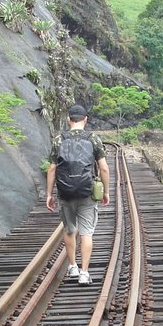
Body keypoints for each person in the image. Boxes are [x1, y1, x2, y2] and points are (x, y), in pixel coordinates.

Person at [45, 104, 110, 285]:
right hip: (87, 191)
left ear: (68, 119)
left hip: (65, 192)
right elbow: (104, 168)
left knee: (69, 229)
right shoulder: (93, 139)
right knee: (86, 232)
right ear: (85, 119)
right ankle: (84, 272)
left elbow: (51, 169)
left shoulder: (59, 139)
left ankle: (72, 266)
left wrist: (49, 194)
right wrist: (106, 191)